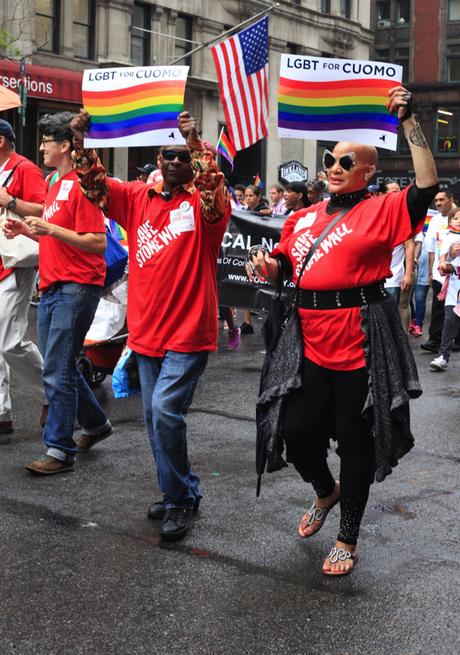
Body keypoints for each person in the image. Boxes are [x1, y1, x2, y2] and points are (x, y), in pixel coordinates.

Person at [246, 86, 438, 576]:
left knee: (356, 440)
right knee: (295, 431)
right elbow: (284, 267)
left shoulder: (381, 209)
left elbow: (425, 184)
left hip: (358, 340)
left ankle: (348, 534)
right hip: (307, 339)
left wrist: (409, 121)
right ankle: (324, 491)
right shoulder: (303, 217)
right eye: (330, 159)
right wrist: (266, 267)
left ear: (368, 172)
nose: (333, 166)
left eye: (345, 161)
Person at [70, 109, 231, 541]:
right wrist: (82, 143)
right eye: (169, 155)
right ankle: (182, 489)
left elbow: (214, 187)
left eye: (183, 156)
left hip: (189, 333)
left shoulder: (204, 207)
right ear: (158, 160)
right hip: (146, 335)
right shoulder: (139, 198)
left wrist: (197, 142)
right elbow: (95, 186)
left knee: (164, 412)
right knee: (154, 419)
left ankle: (179, 500)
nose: (176, 160)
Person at [3, 112, 112, 474]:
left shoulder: (83, 184)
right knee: (59, 366)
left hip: (77, 286)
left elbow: (97, 242)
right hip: (52, 285)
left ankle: (59, 450)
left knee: (59, 369)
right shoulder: (53, 181)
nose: (41, 147)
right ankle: (95, 424)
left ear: (65, 146)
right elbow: (54, 236)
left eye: (47, 141)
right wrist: (26, 230)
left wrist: (48, 228)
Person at [0, 118, 48, 443]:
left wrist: (9, 201)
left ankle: (54, 397)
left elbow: (47, 211)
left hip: (15, 264)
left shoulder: (25, 168)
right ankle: (1, 414)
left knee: (9, 342)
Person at [380, 181, 416, 333]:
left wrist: (408, 274)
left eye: (399, 192)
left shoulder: (403, 216)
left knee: (398, 309)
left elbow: (409, 246)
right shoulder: (373, 214)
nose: (398, 195)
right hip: (374, 277)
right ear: (382, 195)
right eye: (393, 192)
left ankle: (402, 341)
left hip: (394, 277)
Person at [421, 190, 454, 352]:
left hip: (456, 272)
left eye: (442, 200)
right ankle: (435, 340)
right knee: (438, 308)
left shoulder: (458, 216)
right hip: (439, 273)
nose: (439, 203)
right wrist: (431, 272)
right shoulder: (434, 220)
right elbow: (431, 249)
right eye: (436, 201)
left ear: (451, 200)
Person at [430, 209, 460, 370]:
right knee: (449, 321)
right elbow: (443, 265)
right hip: (454, 288)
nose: (459, 221)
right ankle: (443, 356)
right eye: (456, 218)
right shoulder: (448, 237)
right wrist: (450, 258)